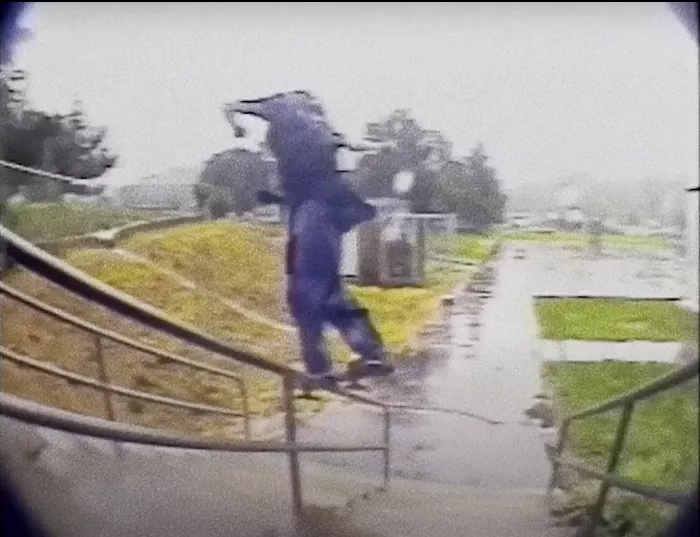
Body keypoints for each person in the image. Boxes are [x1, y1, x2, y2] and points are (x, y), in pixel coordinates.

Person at [225, 91, 394, 389]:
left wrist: (235, 126)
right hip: (321, 209)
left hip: (315, 211)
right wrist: (379, 146)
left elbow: (233, 106)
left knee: (309, 290)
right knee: (320, 288)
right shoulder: (320, 125)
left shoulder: (285, 108)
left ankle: (325, 366)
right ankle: (362, 354)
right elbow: (351, 144)